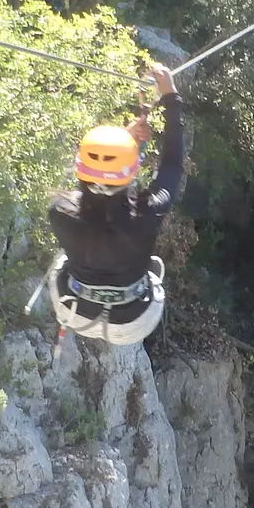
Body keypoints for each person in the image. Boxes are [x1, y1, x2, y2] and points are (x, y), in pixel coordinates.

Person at [43, 62, 183, 345]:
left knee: (61, 260)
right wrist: (171, 97)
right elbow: (173, 163)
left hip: (74, 311)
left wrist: (125, 139)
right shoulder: (147, 213)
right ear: (131, 172)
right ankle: (139, 281)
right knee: (154, 268)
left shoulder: (59, 209)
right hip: (132, 322)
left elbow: (88, 195)